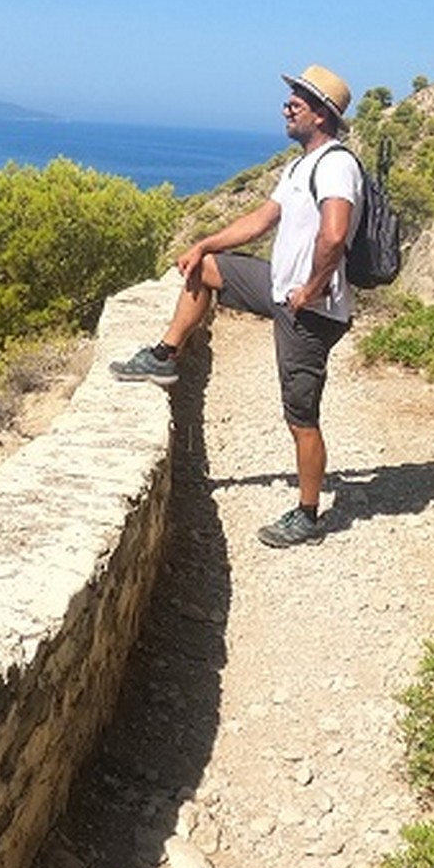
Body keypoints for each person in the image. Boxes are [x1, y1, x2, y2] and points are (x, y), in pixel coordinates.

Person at [110, 64, 362, 548]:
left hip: (309, 311)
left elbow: (333, 235)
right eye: (290, 96)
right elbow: (259, 221)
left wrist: (309, 290)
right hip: (280, 289)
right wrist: (204, 243)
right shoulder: (299, 165)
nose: (288, 105)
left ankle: (308, 517)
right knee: (207, 268)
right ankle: (165, 358)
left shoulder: (335, 164)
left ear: (323, 115)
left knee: (300, 417)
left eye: (300, 99)